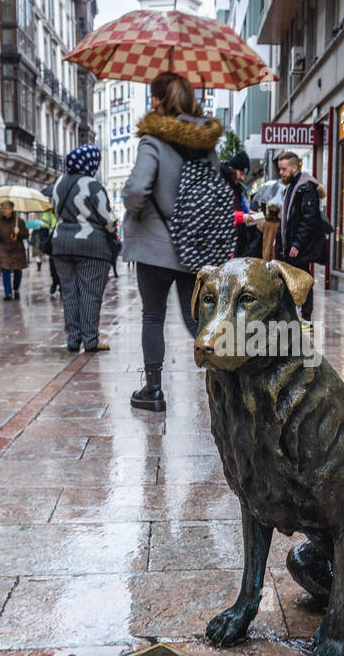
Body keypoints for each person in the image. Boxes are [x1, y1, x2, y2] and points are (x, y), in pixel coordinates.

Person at [121, 71, 223, 412]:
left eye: (153, 96)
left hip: (154, 247)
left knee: (153, 316)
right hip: (194, 246)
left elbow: (137, 189)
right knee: (195, 319)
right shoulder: (206, 145)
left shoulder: (153, 140)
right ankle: (227, 383)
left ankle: (153, 391)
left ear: (159, 100)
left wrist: (133, 209)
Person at [51, 144, 114, 352]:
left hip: (60, 245)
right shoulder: (93, 185)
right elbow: (107, 218)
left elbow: (55, 209)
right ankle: (90, 340)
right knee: (90, 293)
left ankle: (73, 338)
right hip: (90, 246)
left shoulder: (59, 182)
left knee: (69, 293)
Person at [273, 151, 327, 330]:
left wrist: (297, 243)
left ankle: (306, 317)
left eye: (283, 169)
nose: (280, 172)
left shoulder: (306, 187)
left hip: (300, 246)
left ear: (294, 167)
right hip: (289, 245)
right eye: (279, 169)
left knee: (303, 280)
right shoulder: (292, 185)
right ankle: (291, 316)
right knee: (289, 280)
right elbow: (288, 218)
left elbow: (308, 219)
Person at [223, 150, 265, 259]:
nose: (243, 178)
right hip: (227, 244)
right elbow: (218, 214)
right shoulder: (222, 185)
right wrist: (242, 217)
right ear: (232, 169)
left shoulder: (236, 187)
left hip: (238, 243)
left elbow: (242, 207)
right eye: (241, 173)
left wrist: (251, 214)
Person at [0, 200, 28, 300]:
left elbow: (26, 235)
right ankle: (8, 293)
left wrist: (19, 232)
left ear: (11, 209)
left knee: (17, 271)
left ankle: (16, 289)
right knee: (5, 271)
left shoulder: (19, 221)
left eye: (5, 208)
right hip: (4, 249)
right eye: (2, 208)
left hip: (17, 249)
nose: (3, 210)